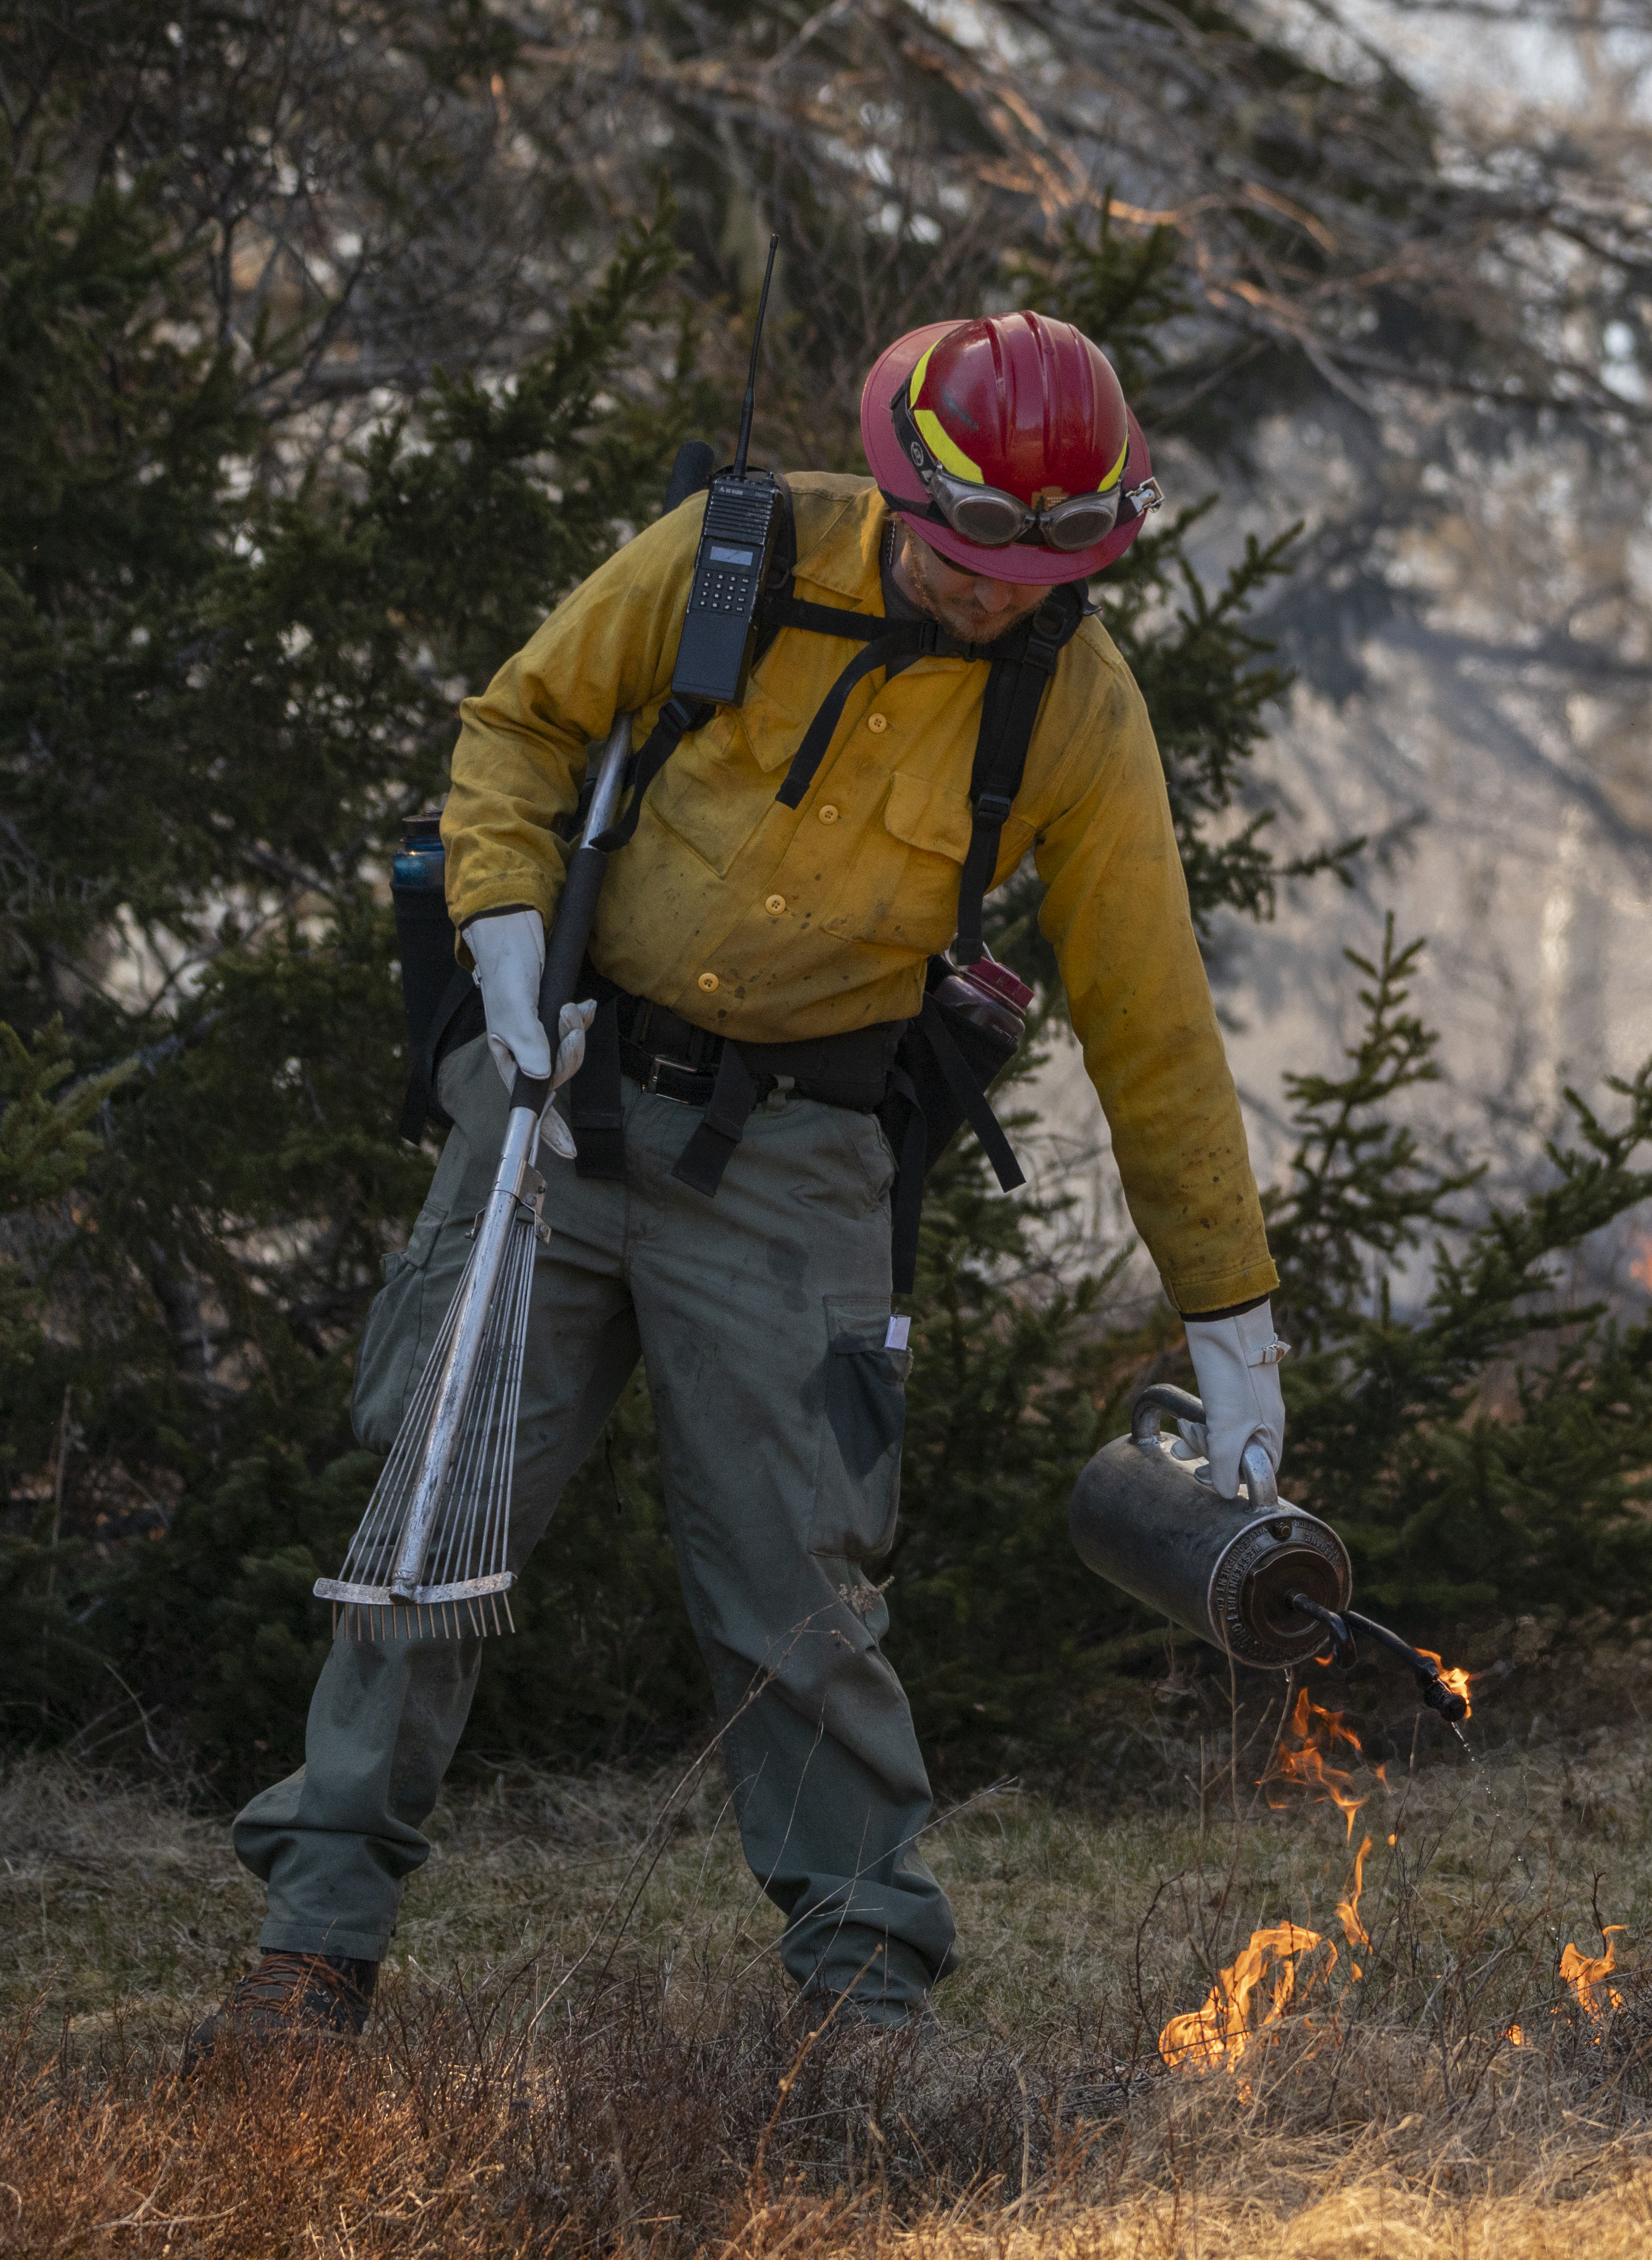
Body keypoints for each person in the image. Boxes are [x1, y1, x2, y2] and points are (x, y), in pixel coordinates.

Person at [192, 310, 1286, 2053]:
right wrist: (494, 946)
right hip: (557, 1092)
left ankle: (864, 1993)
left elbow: (1153, 1026)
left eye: (1042, 563)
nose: (998, 591)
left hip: (798, 1166)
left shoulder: (1076, 711)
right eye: (967, 555)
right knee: (430, 1530)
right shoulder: (733, 558)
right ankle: (313, 1946)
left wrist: (1232, 1321)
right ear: (896, 485)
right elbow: (519, 731)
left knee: (804, 1594)